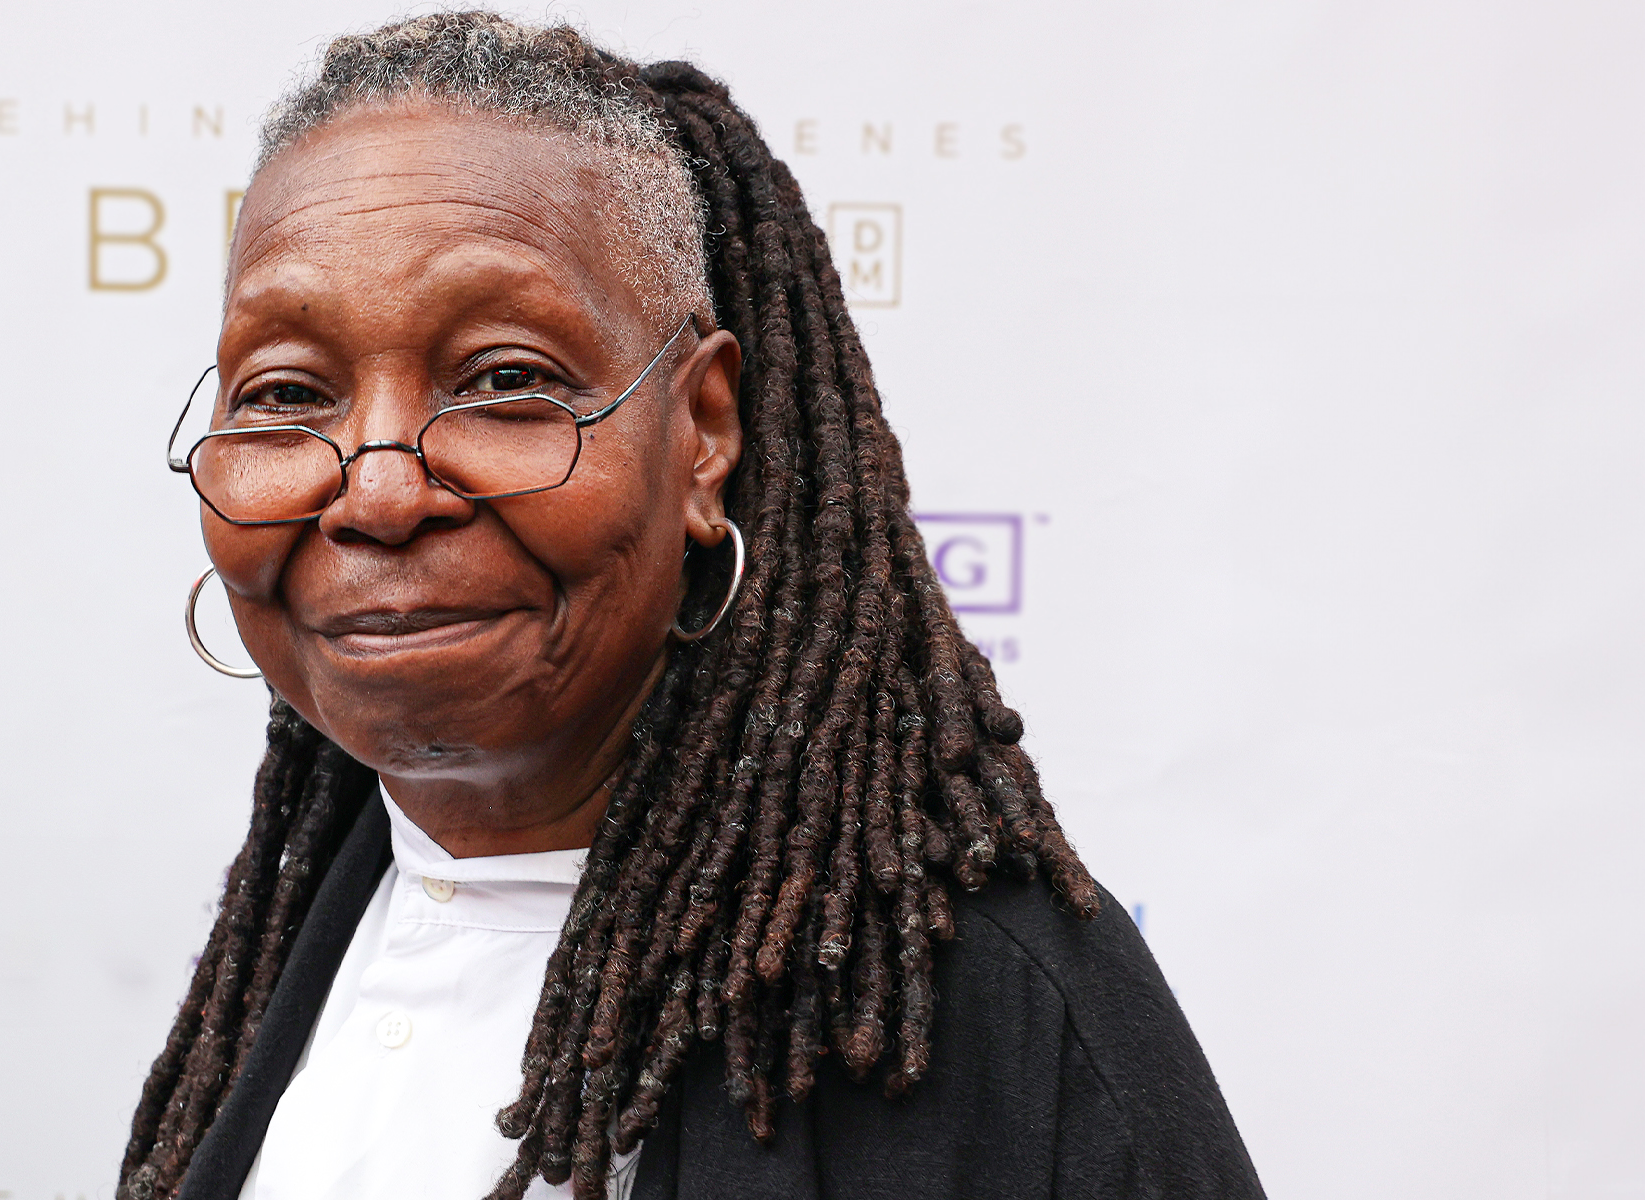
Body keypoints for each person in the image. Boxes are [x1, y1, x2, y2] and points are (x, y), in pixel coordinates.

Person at [119, 13, 1262, 1200]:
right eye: (287, 392)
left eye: (506, 379)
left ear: (703, 430)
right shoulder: (286, 953)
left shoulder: (1001, 1022)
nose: (381, 490)